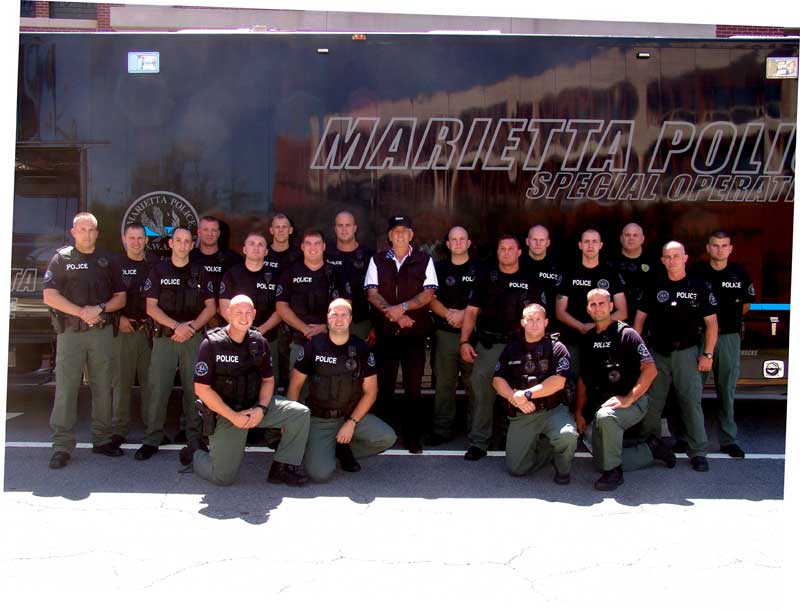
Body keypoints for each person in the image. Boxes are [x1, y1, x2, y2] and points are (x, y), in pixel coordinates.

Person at [187, 295, 311, 486]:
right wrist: (233, 416)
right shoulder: (211, 344)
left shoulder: (259, 342)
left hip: (254, 406)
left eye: (248, 313)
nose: (243, 317)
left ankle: (282, 468)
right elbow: (202, 389)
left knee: (299, 413)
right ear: (228, 313)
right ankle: (195, 452)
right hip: (226, 412)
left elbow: (268, 381)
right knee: (223, 477)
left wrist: (261, 408)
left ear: (254, 314)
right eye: (238, 312)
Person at [43, 212, 127, 469]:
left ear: (97, 233)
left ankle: (101, 439)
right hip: (71, 333)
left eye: (91, 230)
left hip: (101, 332)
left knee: (103, 387)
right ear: (73, 232)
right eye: (82, 229)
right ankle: (61, 446)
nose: (87, 234)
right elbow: (49, 296)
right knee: (66, 389)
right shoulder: (61, 259)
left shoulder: (107, 260)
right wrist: (81, 312)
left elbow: (120, 298)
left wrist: (99, 308)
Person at [576, 289, 676, 491]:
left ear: (611, 306)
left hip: (633, 402)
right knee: (600, 460)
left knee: (606, 417)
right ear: (588, 309)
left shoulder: (626, 334)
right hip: (603, 404)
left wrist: (629, 398)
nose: (597, 308)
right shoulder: (587, 340)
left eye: (602, 303)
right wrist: (578, 412)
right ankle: (651, 449)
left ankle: (613, 474)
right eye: (592, 304)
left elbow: (651, 370)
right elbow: (583, 380)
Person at [288, 299, 396, 482]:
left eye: (344, 314)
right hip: (320, 419)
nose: (339, 319)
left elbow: (371, 392)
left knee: (386, 437)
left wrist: (352, 422)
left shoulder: (361, 349)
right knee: (319, 474)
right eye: (334, 314)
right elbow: (295, 386)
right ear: (327, 319)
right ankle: (325, 448)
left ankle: (342, 448)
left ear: (351, 318)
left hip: (350, 416)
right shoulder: (313, 347)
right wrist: (292, 421)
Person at [459, 235, 546, 460]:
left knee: (519, 391)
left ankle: (512, 437)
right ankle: (479, 442)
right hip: (488, 345)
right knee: (483, 393)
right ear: (497, 252)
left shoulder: (531, 278)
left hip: (519, 346)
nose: (506, 252)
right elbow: (471, 311)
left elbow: (539, 315)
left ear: (519, 252)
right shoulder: (486, 277)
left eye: (511, 248)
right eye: (502, 249)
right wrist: (465, 341)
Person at [634, 241, 718, 472]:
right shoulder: (654, 285)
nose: (672, 260)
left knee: (691, 402)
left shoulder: (699, 286)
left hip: (687, 353)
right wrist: (639, 354)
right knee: (652, 403)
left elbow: (711, 324)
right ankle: (648, 447)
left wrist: (707, 354)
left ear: (685, 258)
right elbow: (639, 322)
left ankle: (698, 451)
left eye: (676, 256)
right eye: (667, 257)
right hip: (657, 354)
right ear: (662, 260)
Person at [136, 227, 217, 461]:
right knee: (158, 389)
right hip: (166, 338)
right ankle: (152, 439)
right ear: (170, 243)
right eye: (178, 241)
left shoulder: (200, 271)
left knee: (195, 390)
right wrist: (176, 326)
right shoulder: (158, 270)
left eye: (187, 242)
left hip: (193, 339)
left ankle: (195, 439)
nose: (183, 245)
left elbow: (210, 307)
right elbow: (151, 307)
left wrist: (190, 328)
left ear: (193, 245)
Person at [365, 214, 438, 454]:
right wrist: (395, 314)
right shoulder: (376, 260)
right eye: (395, 231)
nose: (400, 235)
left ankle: (412, 438)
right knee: (383, 387)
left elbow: (428, 294)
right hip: (386, 334)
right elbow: (372, 294)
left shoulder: (424, 260)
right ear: (389, 235)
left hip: (415, 335)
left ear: (411, 235)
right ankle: (382, 437)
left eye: (404, 231)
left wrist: (402, 308)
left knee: (414, 389)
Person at [492, 304, 577, 483]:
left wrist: (526, 395)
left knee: (567, 436)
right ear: (522, 322)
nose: (534, 323)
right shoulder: (511, 348)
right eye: (529, 319)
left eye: (538, 319)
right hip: (524, 412)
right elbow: (497, 380)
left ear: (546, 322)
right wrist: (514, 398)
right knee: (516, 469)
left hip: (552, 409)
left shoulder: (557, 348)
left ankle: (563, 469)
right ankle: (547, 448)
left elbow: (557, 382)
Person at [692, 230, 755, 458]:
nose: (719, 249)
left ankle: (728, 439)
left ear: (730, 249)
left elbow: (746, 305)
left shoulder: (739, 273)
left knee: (726, 390)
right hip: (700, 337)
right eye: (715, 245)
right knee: (692, 391)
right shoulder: (697, 272)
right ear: (708, 248)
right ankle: (688, 438)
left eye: (724, 245)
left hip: (728, 337)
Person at [275, 228, 352, 385]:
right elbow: (281, 307)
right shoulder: (290, 272)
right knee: (296, 388)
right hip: (298, 340)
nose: (313, 247)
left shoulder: (336, 272)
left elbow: (347, 304)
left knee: (327, 385)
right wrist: (305, 329)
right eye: (308, 244)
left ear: (324, 246)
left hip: (330, 340)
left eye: (317, 243)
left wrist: (325, 327)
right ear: (302, 247)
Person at [109, 223, 161, 449]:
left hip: (149, 331)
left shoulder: (155, 264)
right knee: (121, 382)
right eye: (132, 238)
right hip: (124, 330)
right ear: (124, 239)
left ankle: (152, 429)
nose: (136, 242)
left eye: (140, 238)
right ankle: (119, 430)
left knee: (151, 383)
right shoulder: (115, 264)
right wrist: (117, 319)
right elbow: (106, 296)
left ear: (146, 241)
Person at [556, 228, 627, 382]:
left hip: (604, 338)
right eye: (586, 241)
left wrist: (597, 326)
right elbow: (560, 311)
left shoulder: (611, 273)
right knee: (571, 381)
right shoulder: (569, 272)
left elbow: (622, 311)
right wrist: (582, 327)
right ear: (580, 245)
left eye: (594, 241)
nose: (590, 245)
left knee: (602, 380)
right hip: (574, 339)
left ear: (601, 245)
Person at [427, 225, 477, 445]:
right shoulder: (438, 268)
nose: (457, 243)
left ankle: (475, 429)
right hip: (445, 333)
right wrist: (449, 314)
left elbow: (484, 300)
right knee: (444, 384)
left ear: (468, 243)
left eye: (462, 239)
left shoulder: (480, 269)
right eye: (453, 240)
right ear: (447, 245)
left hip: (473, 334)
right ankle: (442, 430)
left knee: (474, 384)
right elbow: (429, 298)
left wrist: (464, 314)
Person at [219, 231, 282, 372]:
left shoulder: (276, 276)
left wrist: (262, 330)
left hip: (267, 339)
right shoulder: (232, 274)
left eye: (260, 245)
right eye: (251, 244)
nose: (256, 247)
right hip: (236, 339)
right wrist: (243, 330)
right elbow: (224, 308)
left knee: (269, 380)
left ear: (266, 252)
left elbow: (281, 309)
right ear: (244, 249)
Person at [325, 210, 375, 340]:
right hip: (329, 322)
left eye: (347, 225)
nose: (344, 229)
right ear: (335, 229)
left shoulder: (369, 256)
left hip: (362, 322)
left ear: (355, 228)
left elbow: (379, 292)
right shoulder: (325, 255)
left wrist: (376, 326)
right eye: (340, 225)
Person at [265, 213, 302, 388]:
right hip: (267, 316)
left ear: (291, 230)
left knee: (292, 365)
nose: (280, 230)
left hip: (293, 316)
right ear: (271, 230)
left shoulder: (299, 255)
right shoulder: (263, 253)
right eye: (277, 227)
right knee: (270, 367)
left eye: (284, 227)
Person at [189, 215, 244, 325]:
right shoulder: (189, 258)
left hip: (226, 321)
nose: (210, 234)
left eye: (213, 230)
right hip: (195, 320)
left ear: (218, 233)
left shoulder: (233, 259)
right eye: (205, 230)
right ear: (199, 232)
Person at [611, 223, 657, 324]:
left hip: (647, 323)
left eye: (635, 235)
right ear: (621, 238)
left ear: (643, 239)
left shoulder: (654, 263)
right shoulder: (610, 263)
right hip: (614, 322)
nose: (631, 238)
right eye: (627, 235)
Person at [520, 224, 562, 323]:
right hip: (522, 324)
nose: (538, 243)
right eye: (534, 240)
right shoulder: (516, 264)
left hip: (552, 325)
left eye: (542, 240)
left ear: (548, 243)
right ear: (527, 241)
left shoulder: (558, 267)